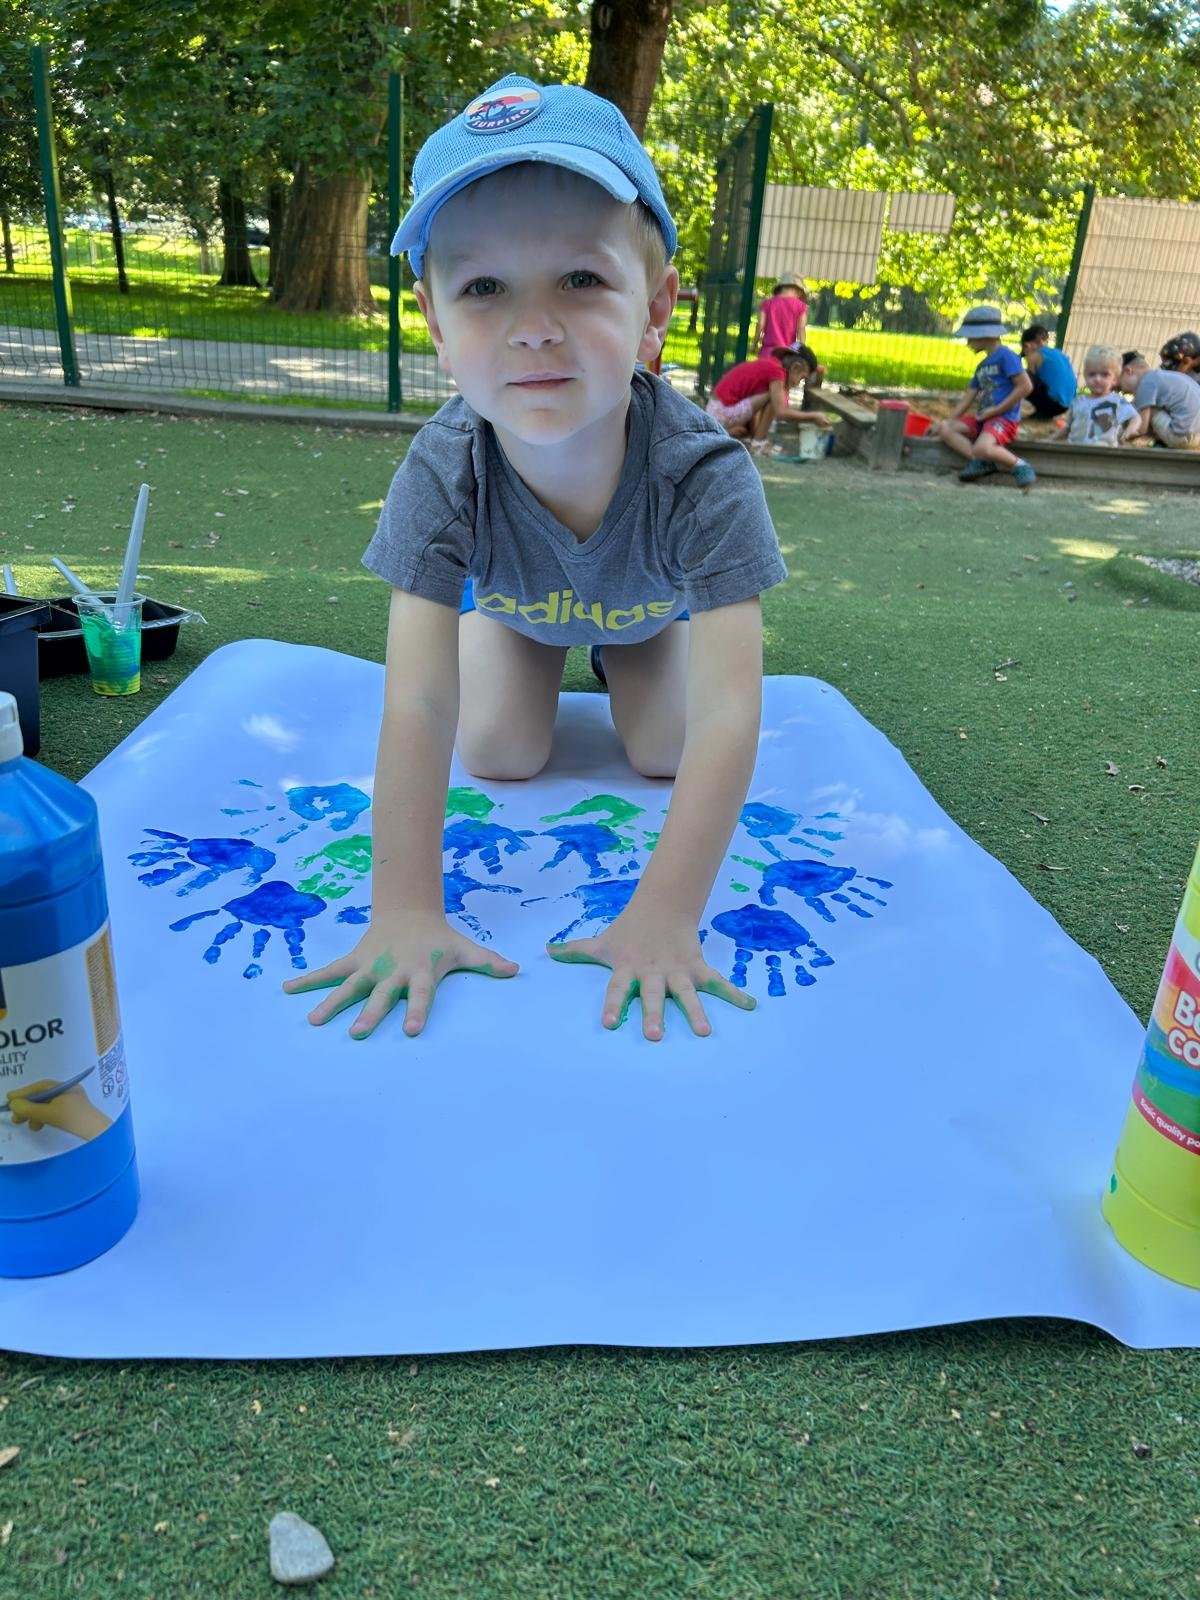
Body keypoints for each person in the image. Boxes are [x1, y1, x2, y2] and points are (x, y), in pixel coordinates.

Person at [283, 76, 788, 1044]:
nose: (534, 325)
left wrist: (665, 915)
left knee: (667, 749)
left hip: (647, 621)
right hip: (517, 616)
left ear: (655, 307)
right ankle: (514, 641)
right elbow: (416, 701)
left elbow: (732, 714)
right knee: (500, 752)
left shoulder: (705, 474)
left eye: (581, 279)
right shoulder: (443, 465)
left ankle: (616, 658)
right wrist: (405, 911)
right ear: (436, 323)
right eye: (484, 287)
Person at [928, 306, 1037, 489]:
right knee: (946, 428)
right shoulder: (982, 366)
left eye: (970, 337)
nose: (968, 343)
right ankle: (981, 461)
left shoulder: (1007, 357)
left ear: (985, 335)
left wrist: (996, 410)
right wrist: (943, 422)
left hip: (1003, 419)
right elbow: (967, 400)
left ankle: (1019, 465)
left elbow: (1025, 386)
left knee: (982, 448)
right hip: (983, 419)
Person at [706, 344, 833, 452]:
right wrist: (814, 416)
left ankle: (753, 438)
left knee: (772, 394)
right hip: (722, 413)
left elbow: (751, 402)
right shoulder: (777, 371)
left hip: (716, 413)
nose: (798, 383)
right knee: (775, 395)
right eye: (802, 378)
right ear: (795, 367)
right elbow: (781, 413)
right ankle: (759, 444)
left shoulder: (771, 365)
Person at [1057, 345, 1140, 446]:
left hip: (1103, 450)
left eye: (1104, 375)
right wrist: (1049, 440)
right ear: (1085, 376)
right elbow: (1067, 428)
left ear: (1115, 379)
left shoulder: (1117, 401)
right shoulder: (1078, 402)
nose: (1097, 379)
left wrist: (1131, 429)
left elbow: (1135, 417)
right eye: (1092, 374)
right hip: (1077, 449)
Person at [1120, 352, 1200, 449]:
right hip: (1196, 436)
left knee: (1142, 409)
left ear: (1128, 371)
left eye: (1119, 387)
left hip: (1182, 437)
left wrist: (1123, 437)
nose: (1122, 391)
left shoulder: (1145, 383)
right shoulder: (1165, 376)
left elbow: (1141, 429)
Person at [1020, 323, 1077, 419]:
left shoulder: (1033, 356)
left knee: (1022, 376)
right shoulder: (1058, 353)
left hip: (1051, 406)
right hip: (1067, 405)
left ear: (1027, 345)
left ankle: (1020, 409)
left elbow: (1028, 384)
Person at [755, 273, 807, 354]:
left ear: (780, 288)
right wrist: (800, 349)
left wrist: (754, 344)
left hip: (768, 351)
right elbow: (801, 329)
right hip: (787, 354)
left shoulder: (767, 303)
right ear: (798, 291)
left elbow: (760, 324)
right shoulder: (801, 306)